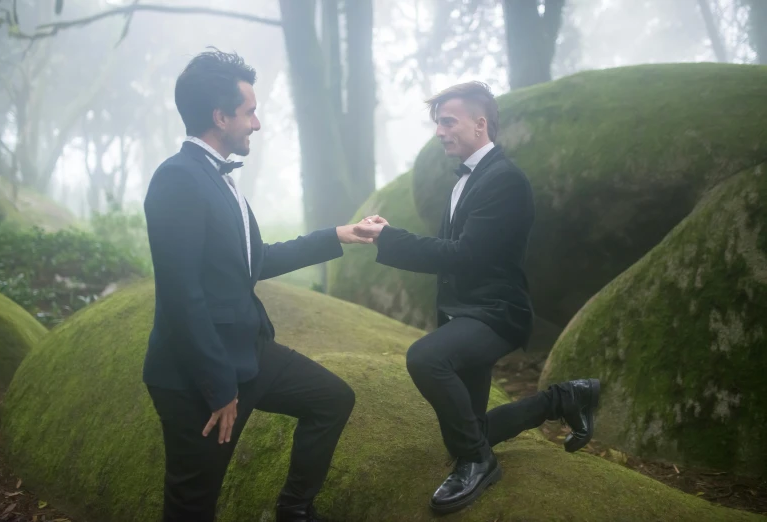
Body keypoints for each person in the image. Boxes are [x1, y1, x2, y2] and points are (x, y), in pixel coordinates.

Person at [142, 49, 370, 522]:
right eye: (250, 112)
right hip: (197, 376)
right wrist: (219, 386)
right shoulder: (177, 179)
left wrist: (338, 235)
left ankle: (294, 511)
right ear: (220, 116)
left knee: (332, 399)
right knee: (192, 505)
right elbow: (181, 295)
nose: (258, 124)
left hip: (248, 351)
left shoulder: (220, 179)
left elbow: (254, 261)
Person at [354, 81, 600, 515]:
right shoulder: (466, 182)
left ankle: (479, 463)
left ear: (480, 123)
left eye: (448, 121)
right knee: (468, 430)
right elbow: (457, 252)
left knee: (426, 359)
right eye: (437, 123)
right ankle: (565, 399)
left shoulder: (505, 180)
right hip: (466, 313)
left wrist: (390, 239)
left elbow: (467, 257)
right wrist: (391, 236)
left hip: (496, 313)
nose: (439, 132)